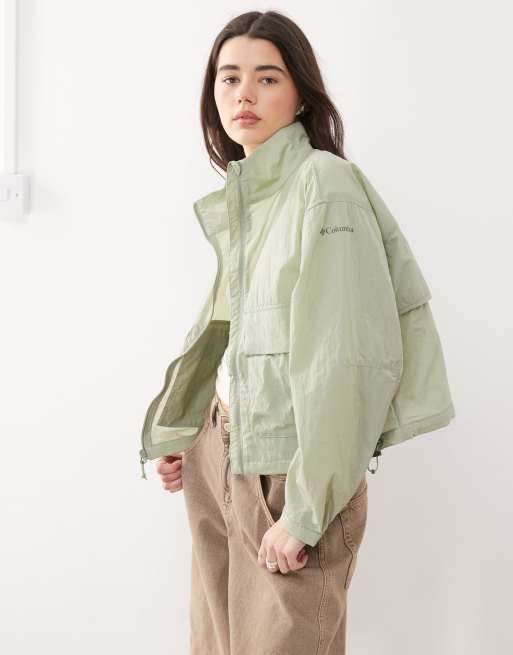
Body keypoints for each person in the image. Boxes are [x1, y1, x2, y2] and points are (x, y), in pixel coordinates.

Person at [143, 9, 455, 655]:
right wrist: (190, 430)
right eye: (229, 78)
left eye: (267, 78)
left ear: (301, 95)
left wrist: (307, 512)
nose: (244, 95)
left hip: (287, 472)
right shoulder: (253, 194)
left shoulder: (324, 185)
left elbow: (347, 358)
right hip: (222, 453)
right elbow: (240, 335)